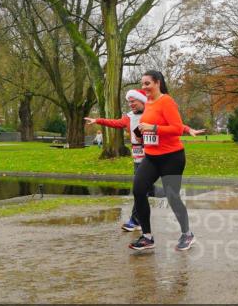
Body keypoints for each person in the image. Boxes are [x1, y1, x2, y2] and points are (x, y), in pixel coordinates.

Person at [85, 89, 203, 232]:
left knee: (142, 190)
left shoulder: (152, 112)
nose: (131, 104)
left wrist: (188, 129)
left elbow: (172, 123)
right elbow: (115, 123)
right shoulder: (128, 117)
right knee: (141, 190)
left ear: (142, 100)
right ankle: (152, 207)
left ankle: (137, 219)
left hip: (153, 157)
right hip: (138, 158)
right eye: (129, 102)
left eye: (133, 101)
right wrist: (97, 120)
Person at [128, 70, 195, 252]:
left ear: (157, 82)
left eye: (147, 83)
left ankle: (187, 233)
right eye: (142, 84)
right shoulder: (148, 102)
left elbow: (176, 128)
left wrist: (153, 127)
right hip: (151, 157)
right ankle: (147, 237)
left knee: (172, 196)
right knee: (139, 189)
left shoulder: (167, 101)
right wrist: (143, 131)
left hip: (172, 157)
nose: (144, 87)